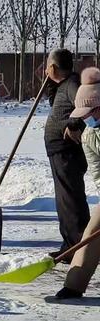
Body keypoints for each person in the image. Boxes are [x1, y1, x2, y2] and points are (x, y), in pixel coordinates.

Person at [55, 67, 100, 299]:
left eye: (90, 113)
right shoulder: (88, 135)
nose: (86, 119)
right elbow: (98, 173)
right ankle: (74, 285)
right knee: (92, 231)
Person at [44, 49, 90, 262]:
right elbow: (57, 104)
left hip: (67, 152)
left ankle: (79, 247)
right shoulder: (63, 84)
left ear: (53, 67)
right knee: (65, 201)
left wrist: (73, 124)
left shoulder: (72, 84)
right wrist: (51, 83)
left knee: (71, 201)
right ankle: (69, 245)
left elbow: (86, 104)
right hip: (59, 152)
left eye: (47, 66)